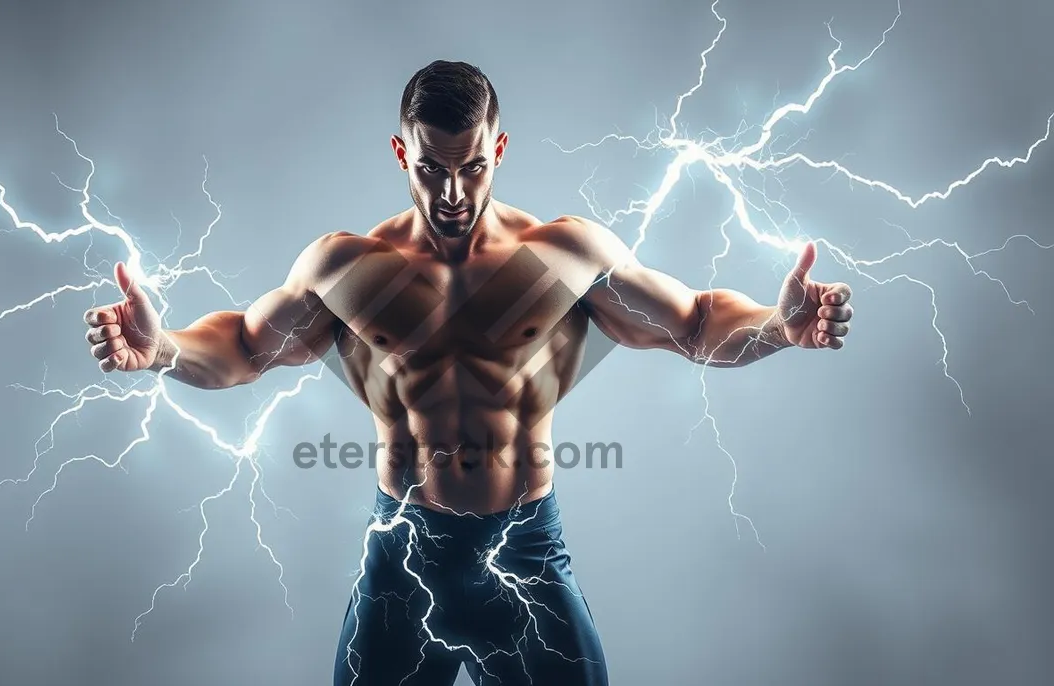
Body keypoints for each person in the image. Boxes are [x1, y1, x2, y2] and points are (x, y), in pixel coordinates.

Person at [82, 60, 853, 686]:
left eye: (473, 167)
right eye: (431, 170)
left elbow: (693, 325)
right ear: (400, 153)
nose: (453, 194)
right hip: (406, 554)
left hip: (524, 551)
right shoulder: (349, 267)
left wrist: (779, 329)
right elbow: (246, 347)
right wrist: (159, 351)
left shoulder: (563, 256)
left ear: (499, 149)